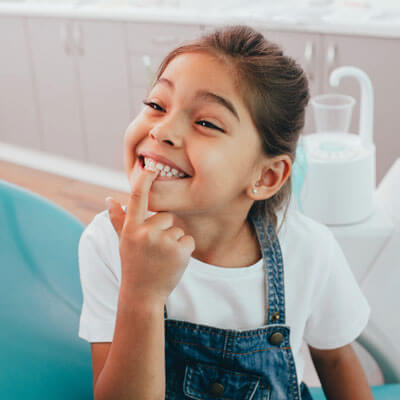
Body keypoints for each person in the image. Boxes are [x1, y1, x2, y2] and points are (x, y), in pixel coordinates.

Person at [77, 25, 373, 399]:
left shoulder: (311, 249)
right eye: (156, 105)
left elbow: (335, 361)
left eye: (206, 122)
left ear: (266, 176)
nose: (162, 130)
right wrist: (141, 294)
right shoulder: (107, 243)